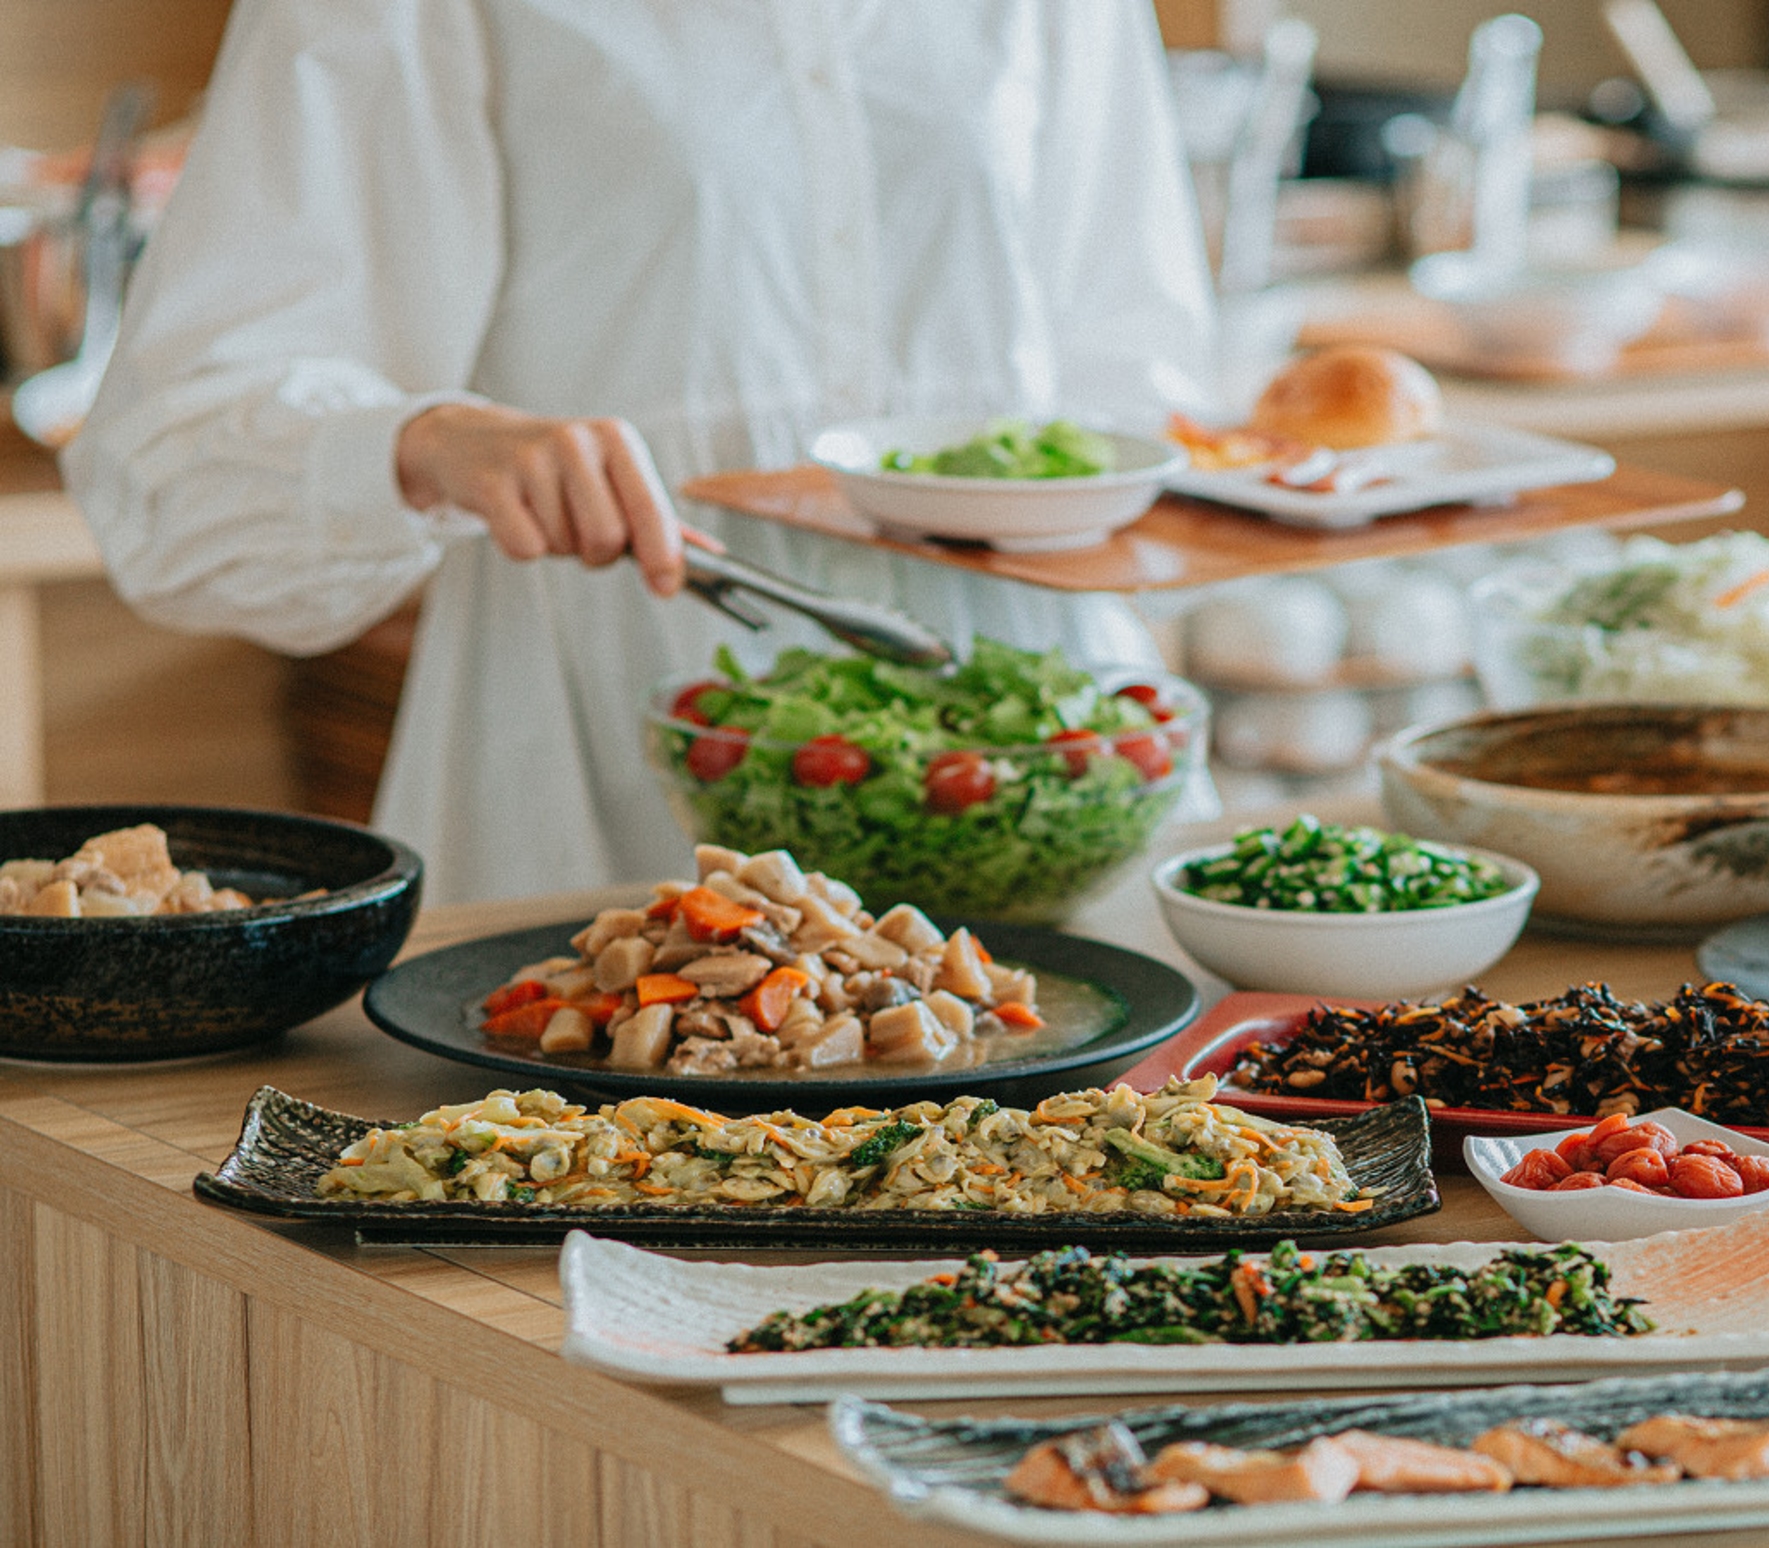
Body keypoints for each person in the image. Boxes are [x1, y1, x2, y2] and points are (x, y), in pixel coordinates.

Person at [66, 0, 1214, 902]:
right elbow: (175, 445)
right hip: (607, 744)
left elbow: (1138, 371)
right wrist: (431, 440)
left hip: (1041, 774)